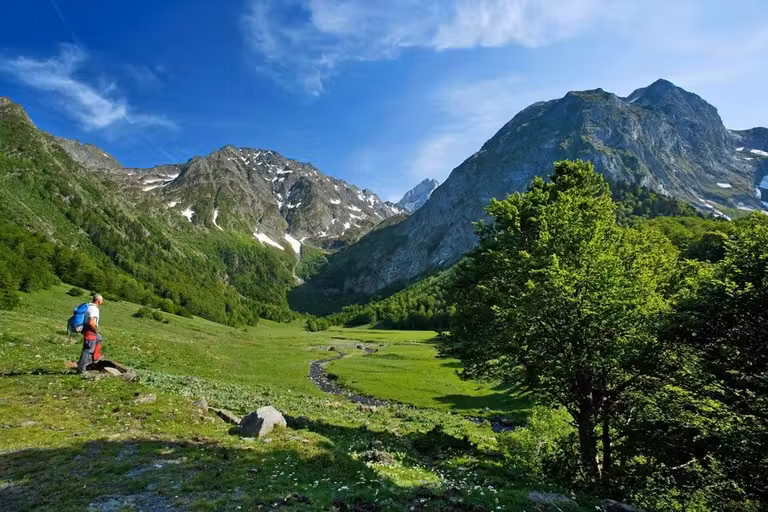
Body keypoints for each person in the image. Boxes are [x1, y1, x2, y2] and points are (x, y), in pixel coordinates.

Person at [76, 293, 104, 373]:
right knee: (87, 349)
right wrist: (95, 330)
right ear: (98, 301)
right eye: (102, 300)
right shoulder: (94, 309)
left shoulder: (88, 306)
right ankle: (81, 369)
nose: (102, 302)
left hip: (85, 329)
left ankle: (95, 358)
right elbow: (91, 322)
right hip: (90, 330)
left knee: (99, 338)